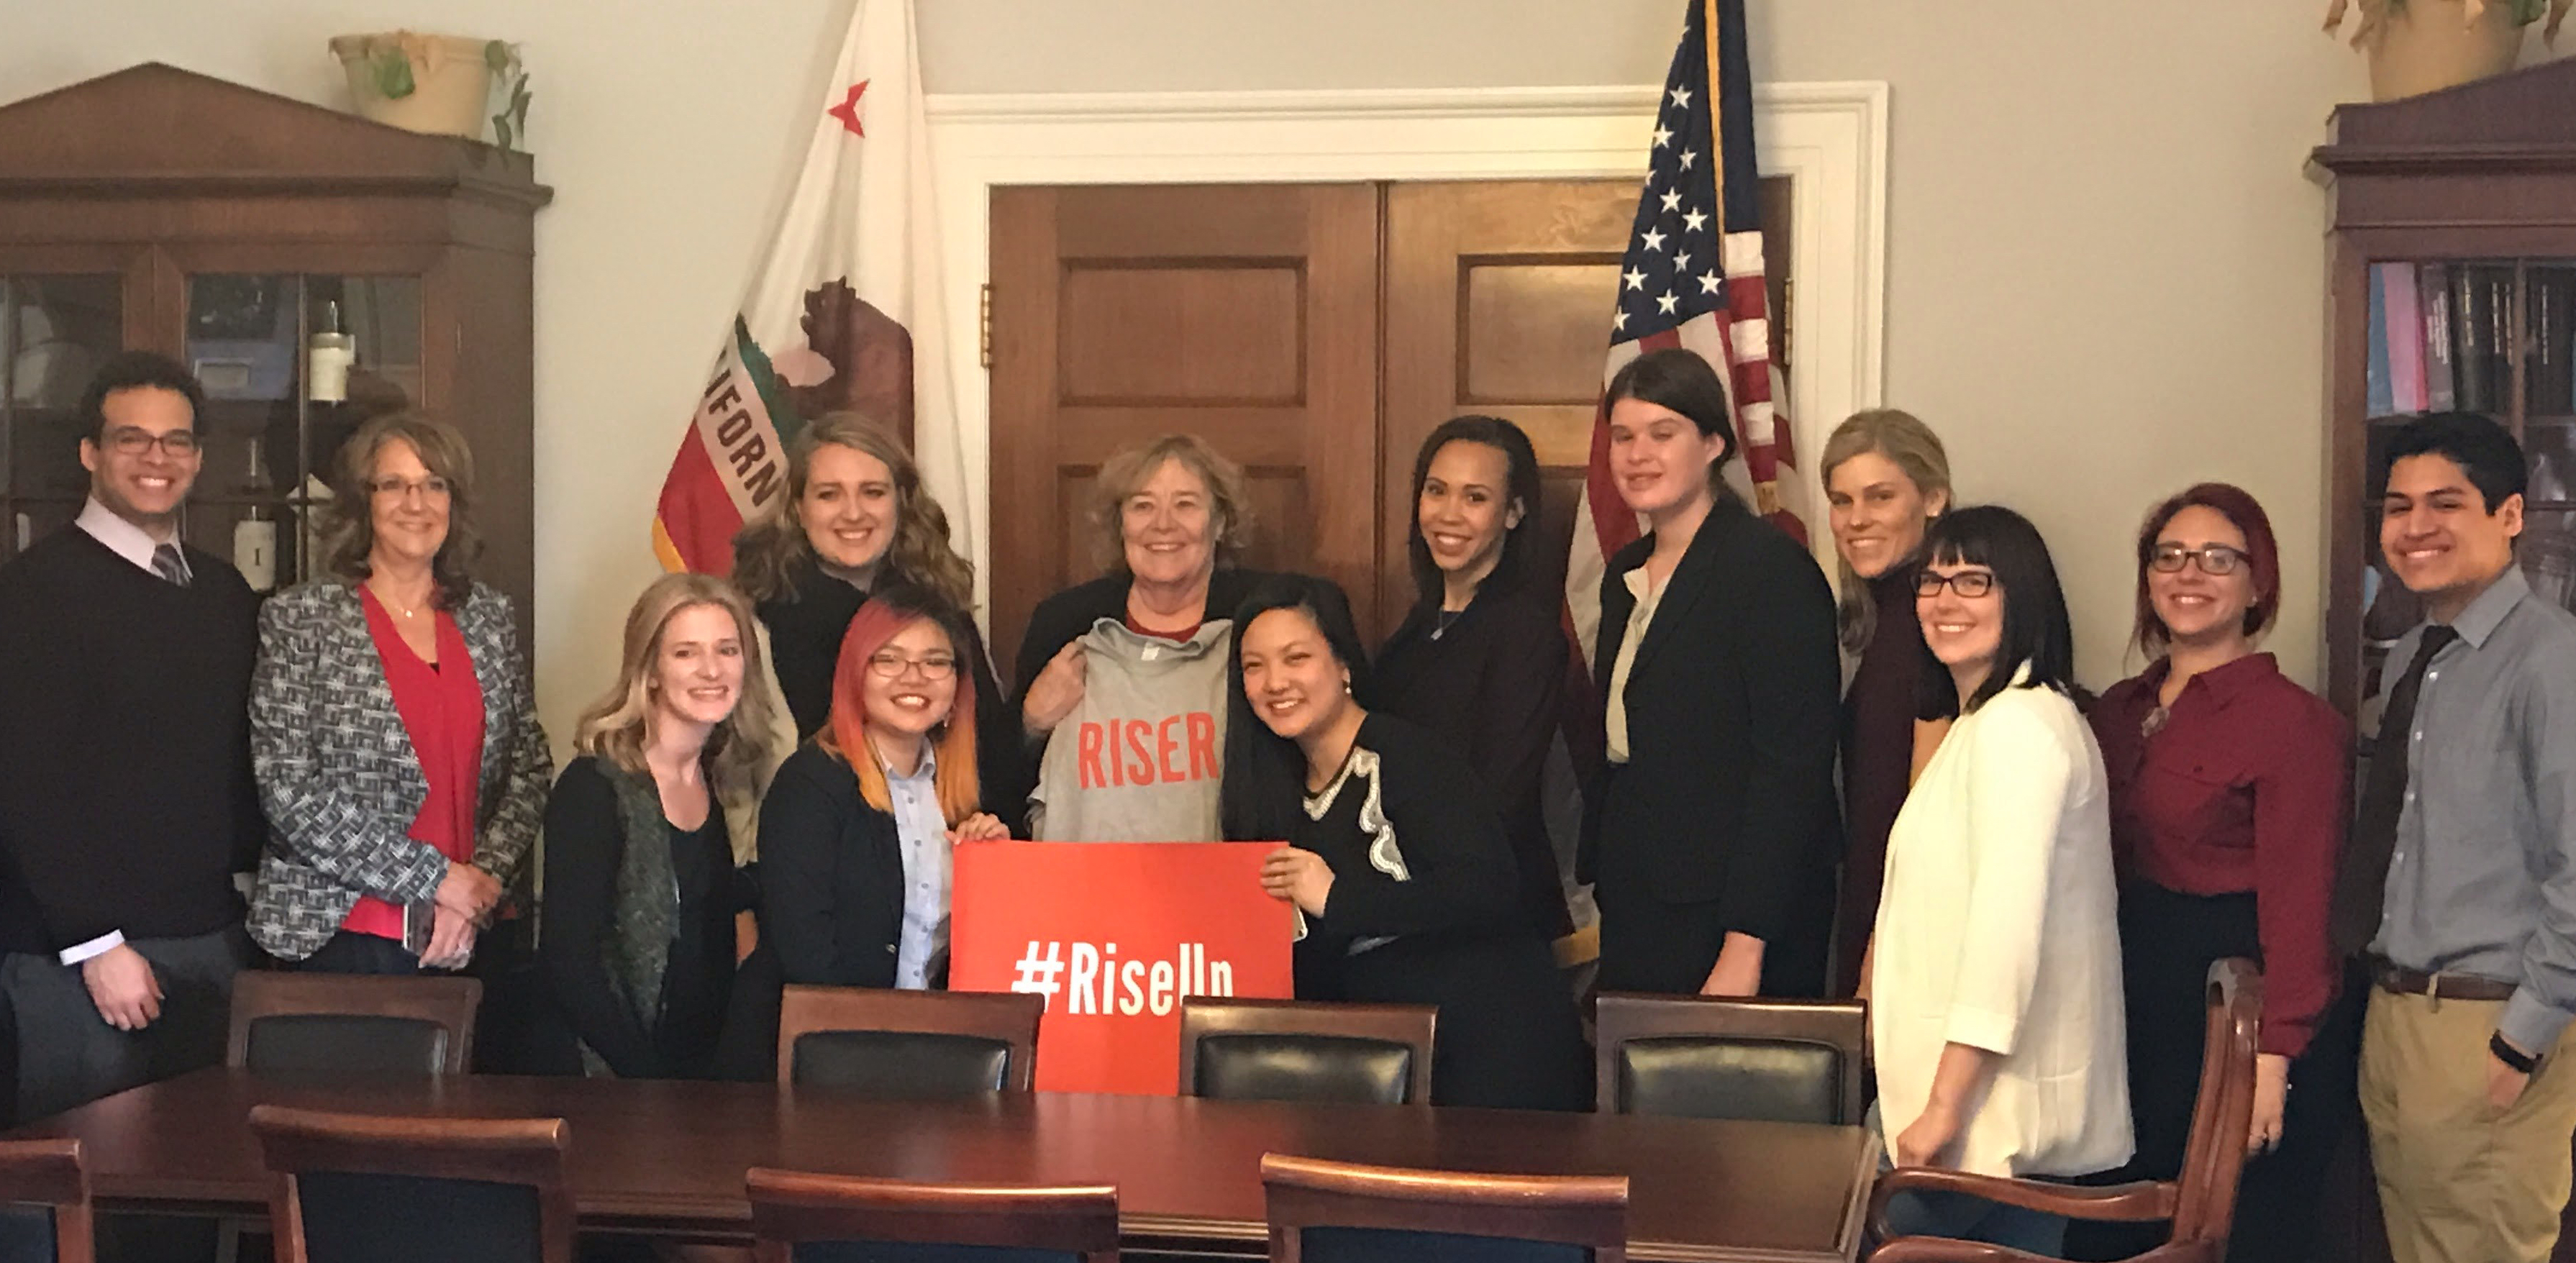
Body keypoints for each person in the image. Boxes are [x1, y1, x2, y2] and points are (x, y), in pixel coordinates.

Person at [2067, 485, 2348, 1263]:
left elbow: (2302, 909)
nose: (2188, 573)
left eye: (2217, 558)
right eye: (2169, 555)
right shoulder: (2114, 713)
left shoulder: (2294, 724)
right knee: (2117, 1221)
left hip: (2231, 1009)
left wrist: (2270, 1063)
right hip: (2126, 1003)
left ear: (2257, 583)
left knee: (2222, 1228)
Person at [2334, 412, 2576, 1263]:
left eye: (2445, 503)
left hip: (2487, 1022)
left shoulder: (2549, 661)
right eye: (2397, 506)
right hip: (2396, 1015)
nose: (2414, 527)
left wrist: (2520, 1038)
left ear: (2509, 515)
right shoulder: (2410, 658)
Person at [0, 351, 262, 1123]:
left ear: (199, 457)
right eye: (132, 439)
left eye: (176, 440)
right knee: (89, 1198)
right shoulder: (31, 594)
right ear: (90, 452)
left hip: (210, 939)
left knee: (199, 1187)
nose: (158, 458)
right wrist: (95, 944)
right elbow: (24, 782)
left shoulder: (223, 592)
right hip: (79, 961)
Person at [1221, 578, 1590, 1111]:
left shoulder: (1407, 757)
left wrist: (1338, 900)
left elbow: (1486, 886)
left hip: (1491, 1046)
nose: (1274, 682)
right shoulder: (1270, 796)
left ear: (1343, 665)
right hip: (1381, 1064)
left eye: (1295, 657)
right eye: (1254, 666)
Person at [1871, 505, 2130, 1254]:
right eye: (1932, 580)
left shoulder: (2020, 726)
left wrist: (1943, 1107)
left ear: (2021, 596)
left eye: (1972, 581)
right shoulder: (1988, 723)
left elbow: (2002, 931)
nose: (1944, 600)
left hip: (1987, 1122)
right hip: (1988, 1117)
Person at [247, 412, 551, 978]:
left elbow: (528, 766)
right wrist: (436, 879)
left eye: (435, 484)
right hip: (342, 936)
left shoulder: (489, 617)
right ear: (362, 501)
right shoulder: (299, 619)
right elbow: (287, 789)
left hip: (474, 932)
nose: (417, 502)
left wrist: (479, 884)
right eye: (394, 484)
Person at [1585, 347, 1842, 998]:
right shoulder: (1624, 576)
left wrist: (1745, 942)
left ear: (1712, 444)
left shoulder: (1769, 572)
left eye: (1661, 434)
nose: (1637, 454)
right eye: (1623, 436)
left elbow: (1792, 771)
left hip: (1733, 917)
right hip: (1639, 903)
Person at [1014, 434, 1355, 842]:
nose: (1163, 524)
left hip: (1244, 874)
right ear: (1120, 522)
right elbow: (1000, 780)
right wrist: (1031, 722)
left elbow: (1347, 734)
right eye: (1142, 506)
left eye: (1186, 505)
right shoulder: (1066, 623)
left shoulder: (1269, 612)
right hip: (1092, 887)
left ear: (1221, 522)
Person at [730, 412, 1027, 832]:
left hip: (943, 843)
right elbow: (735, 773)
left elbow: (987, 743)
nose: (853, 513)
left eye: (873, 492)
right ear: (798, 508)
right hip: (810, 849)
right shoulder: (755, 621)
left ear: (901, 501)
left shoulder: (940, 604)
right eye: (829, 495)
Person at [540, 574, 780, 1080]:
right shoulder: (594, 786)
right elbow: (570, 965)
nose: (711, 670)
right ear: (648, 669)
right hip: (613, 1082)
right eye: (686, 653)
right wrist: (649, 1084)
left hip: (702, 1075)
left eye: (727, 650)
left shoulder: (725, 780)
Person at [1372, 416, 1573, 941]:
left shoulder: (1525, 635)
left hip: (1487, 922)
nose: (1448, 515)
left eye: (1475, 497)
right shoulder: (1411, 636)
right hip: (1409, 905)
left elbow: (1499, 800)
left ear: (1513, 512)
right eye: (1436, 491)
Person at [760, 584, 1010, 988]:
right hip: (823, 1039)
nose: (914, 678)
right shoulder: (810, 785)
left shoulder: (963, 795)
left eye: (935, 662)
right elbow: (807, 958)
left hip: (926, 1037)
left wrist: (992, 870)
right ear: (856, 674)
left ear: (957, 684)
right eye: (889, 660)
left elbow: (980, 956)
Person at [1819, 409, 1952, 999]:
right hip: (1866, 905)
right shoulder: (1873, 622)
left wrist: (1881, 951)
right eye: (1841, 501)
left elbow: (1928, 818)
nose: (1856, 520)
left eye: (1879, 497)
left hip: (1910, 928)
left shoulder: (1940, 625)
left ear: (1933, 499)